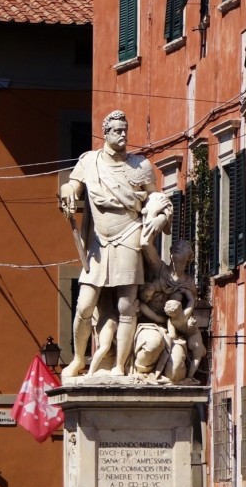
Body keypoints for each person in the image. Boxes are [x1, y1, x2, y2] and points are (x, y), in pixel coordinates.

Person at [59, 110, 172, 378]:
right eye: (117, 131)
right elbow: (72, 186)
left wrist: (161, 216)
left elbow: (157, 198)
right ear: (105, 134)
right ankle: (77, 359)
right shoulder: (90, 161)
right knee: (85, 304)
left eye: (125, 130)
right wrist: (67, 193)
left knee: (125, 305)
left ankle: (120, 366)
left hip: (130, 234)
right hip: (99, 242)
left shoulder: (140, 166)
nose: (123, 135)